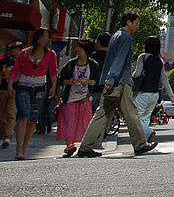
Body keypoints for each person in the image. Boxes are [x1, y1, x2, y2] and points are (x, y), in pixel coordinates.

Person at [76, 11, 158, 157]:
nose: (137, 26)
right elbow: (119, 60)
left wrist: (109, 78)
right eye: (136, 23)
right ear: (129, 22)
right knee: (131, 113)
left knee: (102, 114)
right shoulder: (126, 37)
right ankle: (140, 145)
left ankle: (85, 146)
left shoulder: (115, 36)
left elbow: (113, 60)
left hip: (114, 81)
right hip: (119, 83)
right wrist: (112, 78)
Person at [7, 28, 57, 160]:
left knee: (33, 119)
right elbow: (16, 68)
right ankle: (19, 149)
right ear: (37, 37)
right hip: (23, 85)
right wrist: (10, 83)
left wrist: (53, 86)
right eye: (43, 36)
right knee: (24, 114)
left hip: (40, 87)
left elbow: (53, 71)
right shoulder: (25, 53)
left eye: (47, 37)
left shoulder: (51, 54)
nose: (45, 39)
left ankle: (24, 148)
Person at [56, 38, 101, 157]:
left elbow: (97, 81)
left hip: (85, 98)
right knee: (68, 122)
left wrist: (90, 82)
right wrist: (70, 81)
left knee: (84, 123)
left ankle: (83, 145)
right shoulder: (71, 64)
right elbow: (61, 79)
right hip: (70, 98)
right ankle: (70, 145)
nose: (76, 50)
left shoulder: (93, 65)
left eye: (79, 47)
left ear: (85, 50)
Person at [132, 36, 174, 144]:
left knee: (134, 116)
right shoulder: (160, 61)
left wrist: (131, 76)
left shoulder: (143, 57)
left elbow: (137, 74)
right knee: (145, 118)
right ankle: (143, 142)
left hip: (143, 92)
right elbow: (164, 80)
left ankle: (149, 133)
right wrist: (171, 96)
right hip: (155, 94)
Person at [0, 41, 23, 148]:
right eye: (12, 48)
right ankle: (1, 136)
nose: (13, 50)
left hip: (16, 91)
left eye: (16, 48)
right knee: (2, 115)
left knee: (11, 114)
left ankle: (7, 137)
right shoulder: (4, 62)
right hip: (3, 90)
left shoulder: (23, 63)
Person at [89, 33, 111, 112]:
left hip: (92, 89)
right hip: (106, 91)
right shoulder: (113, 58)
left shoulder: (91, 57)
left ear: (98, 42)